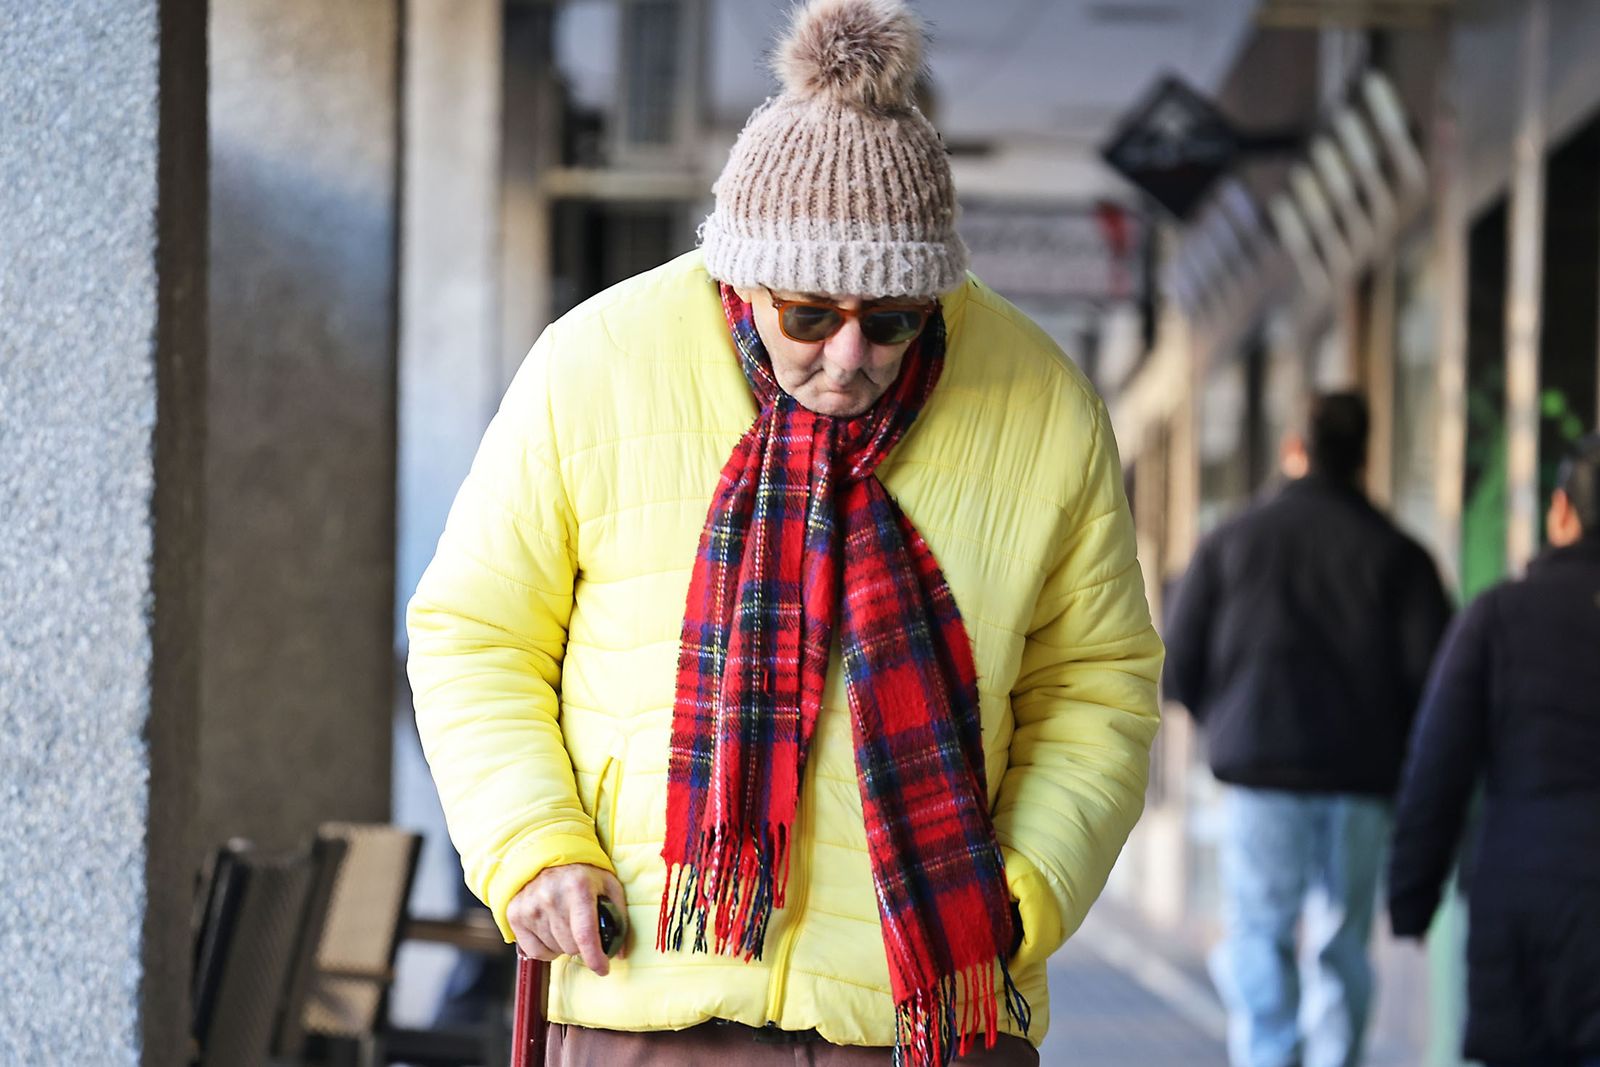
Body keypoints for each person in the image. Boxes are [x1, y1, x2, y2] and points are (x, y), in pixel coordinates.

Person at [406, 2, 1163, 1064]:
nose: (848, 356)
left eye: (892, 319)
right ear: (741, 275)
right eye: (808, 315)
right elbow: (474, 633)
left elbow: (1096, 683)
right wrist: (530, 846)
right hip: (645, 995)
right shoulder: (595, 365)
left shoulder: (1042, 400)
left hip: (929, 1004)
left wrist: (1020, 890)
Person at [1163, 392, 1452, 1067]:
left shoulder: (1231, 540)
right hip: (1361, 783)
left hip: (1261, 777)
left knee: (1260, 934)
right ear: (1365, 453)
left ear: (1296, 447)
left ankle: (1268, 1056)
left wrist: (1234, 724)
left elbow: (1176, 667)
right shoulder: (1399, 553)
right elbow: (1431, 680)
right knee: (1344, 942)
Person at [1387, 434, 1600, 1067]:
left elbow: (1438, 764)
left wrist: (1411, 896)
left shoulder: (1499, 616)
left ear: (1561, 511)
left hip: (1521, 900)